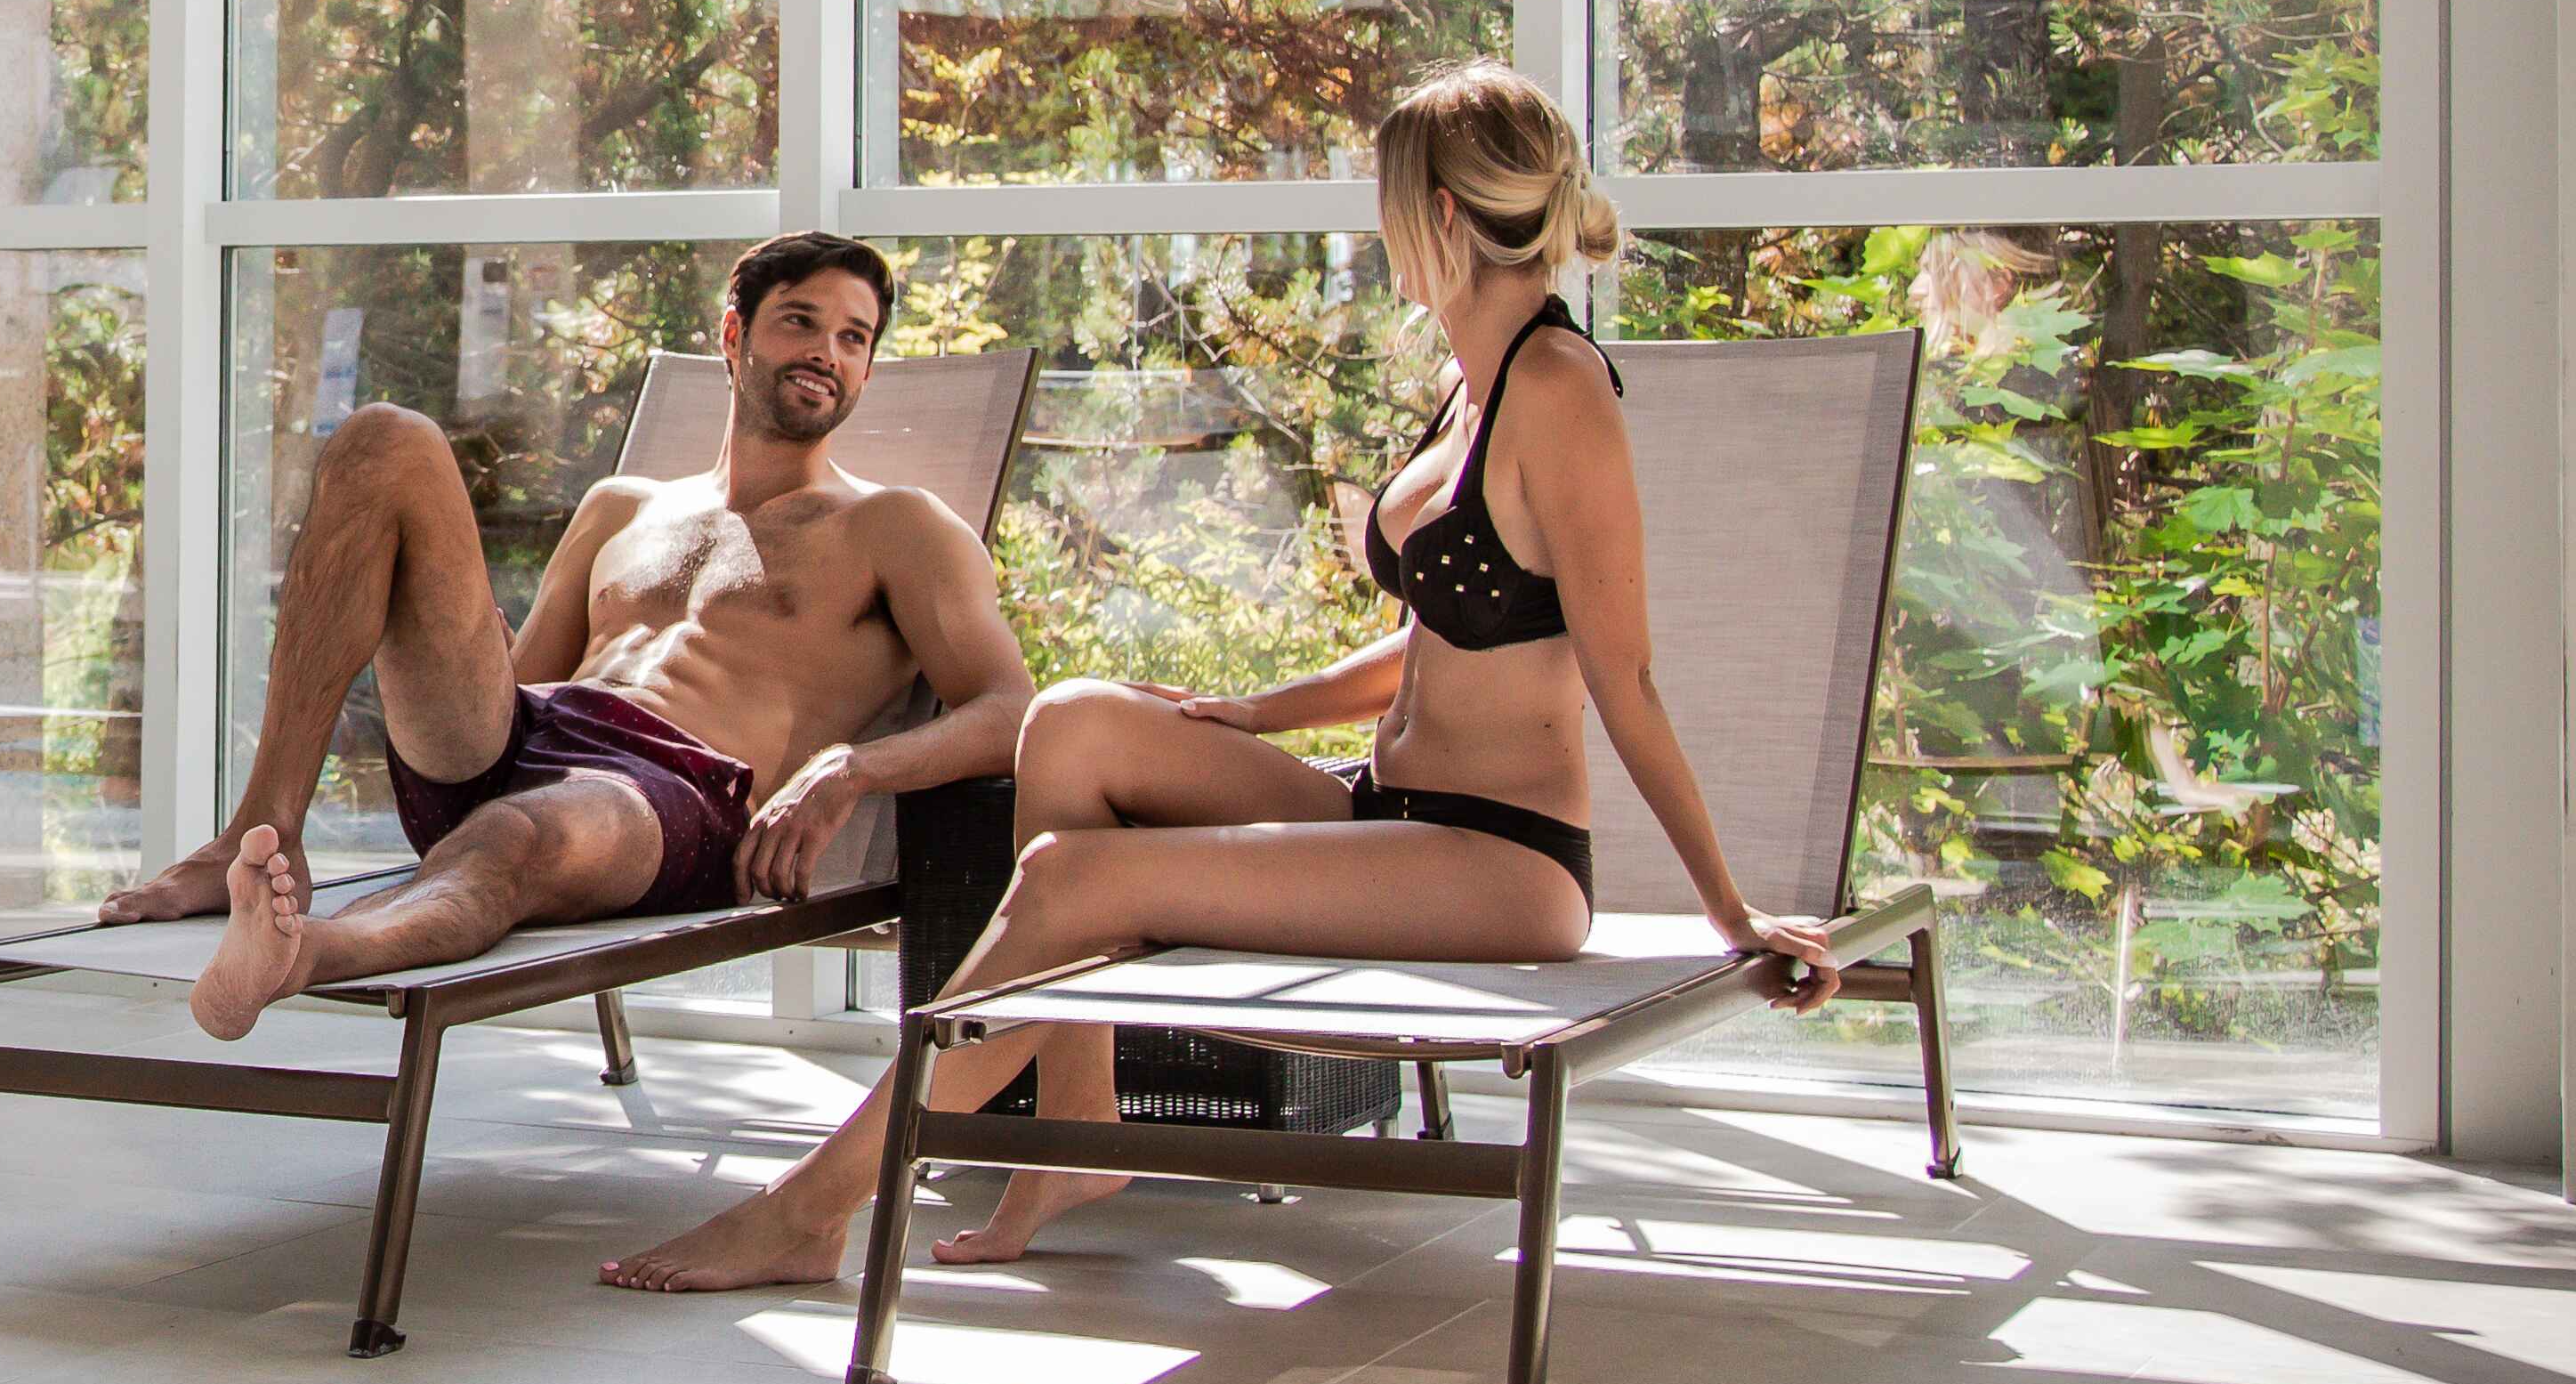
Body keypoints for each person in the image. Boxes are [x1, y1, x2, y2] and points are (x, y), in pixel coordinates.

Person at [597, 63, 1843, 1291]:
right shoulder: (1470, 380)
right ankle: (1075, 1129)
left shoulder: (1558, 389)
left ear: (1438, 216)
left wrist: (1730, 915)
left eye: (1382, 194)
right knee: (1078, 721)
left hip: (1499, 860)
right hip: (1382, 808)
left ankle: (814, 1205)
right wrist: (1258, 712)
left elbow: (1620, 674)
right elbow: (1458, 632)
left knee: (1075, 879)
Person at [101, 233, 1037, 1044]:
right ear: (733, 333)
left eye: (853, 336)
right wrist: (445, 637)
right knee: (386, 437)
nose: (826, 352)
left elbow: (1010, 711)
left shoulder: (900, 527)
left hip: (669, 796)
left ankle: (297, 953)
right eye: (800, 320)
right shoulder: (620, 508)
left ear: (867, 366)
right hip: (517, 743)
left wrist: (850, 771)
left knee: (518, 829)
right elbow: (516, 691)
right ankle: (261, 838)